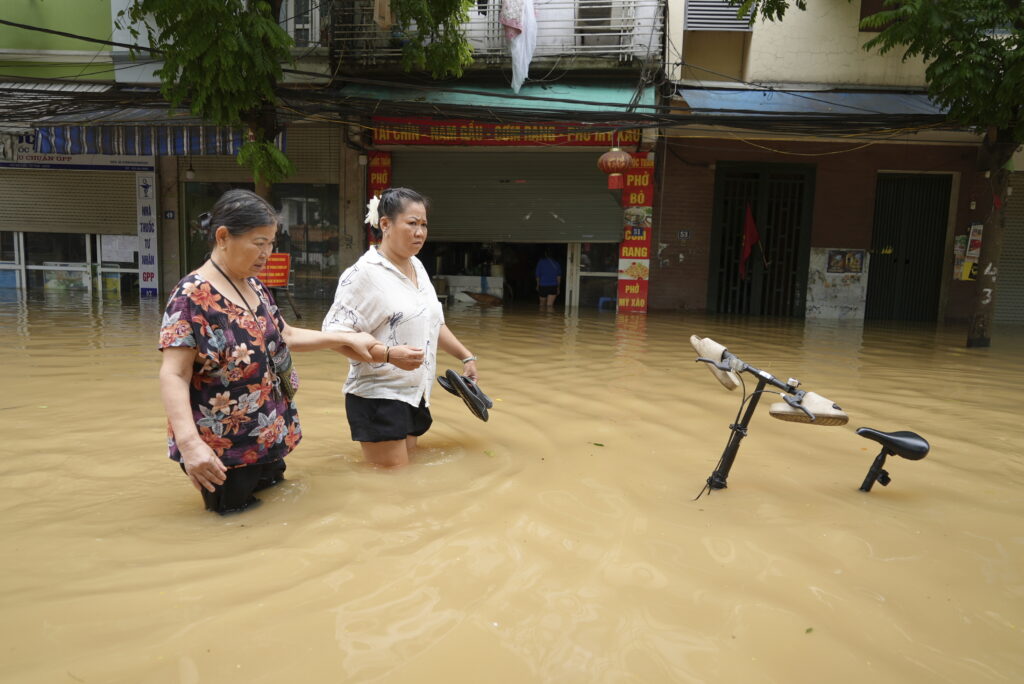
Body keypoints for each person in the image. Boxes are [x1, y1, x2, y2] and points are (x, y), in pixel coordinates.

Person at [159, 189, 377, 514]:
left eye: (272, 243)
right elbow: (174, 374)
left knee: (275, 514)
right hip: (224, 450)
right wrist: (191, 445)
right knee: (233, 525)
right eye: (258, 243)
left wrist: (343, 339)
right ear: (223, 237)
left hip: (268, 435)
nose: (267, 253)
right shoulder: (190, 297)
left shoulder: (254, 285)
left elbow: (284, 335)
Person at [322, 187, 480, 469]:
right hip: (378, 397)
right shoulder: (362, 275)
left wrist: (466, 356)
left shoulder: (417, 267)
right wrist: (388, 355)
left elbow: (434, 323)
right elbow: (333, 336)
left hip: (414, 394)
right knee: (390, 486)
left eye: (424, 224)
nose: (420, 232)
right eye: (411, 223)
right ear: (385, 224)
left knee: (405, 482)